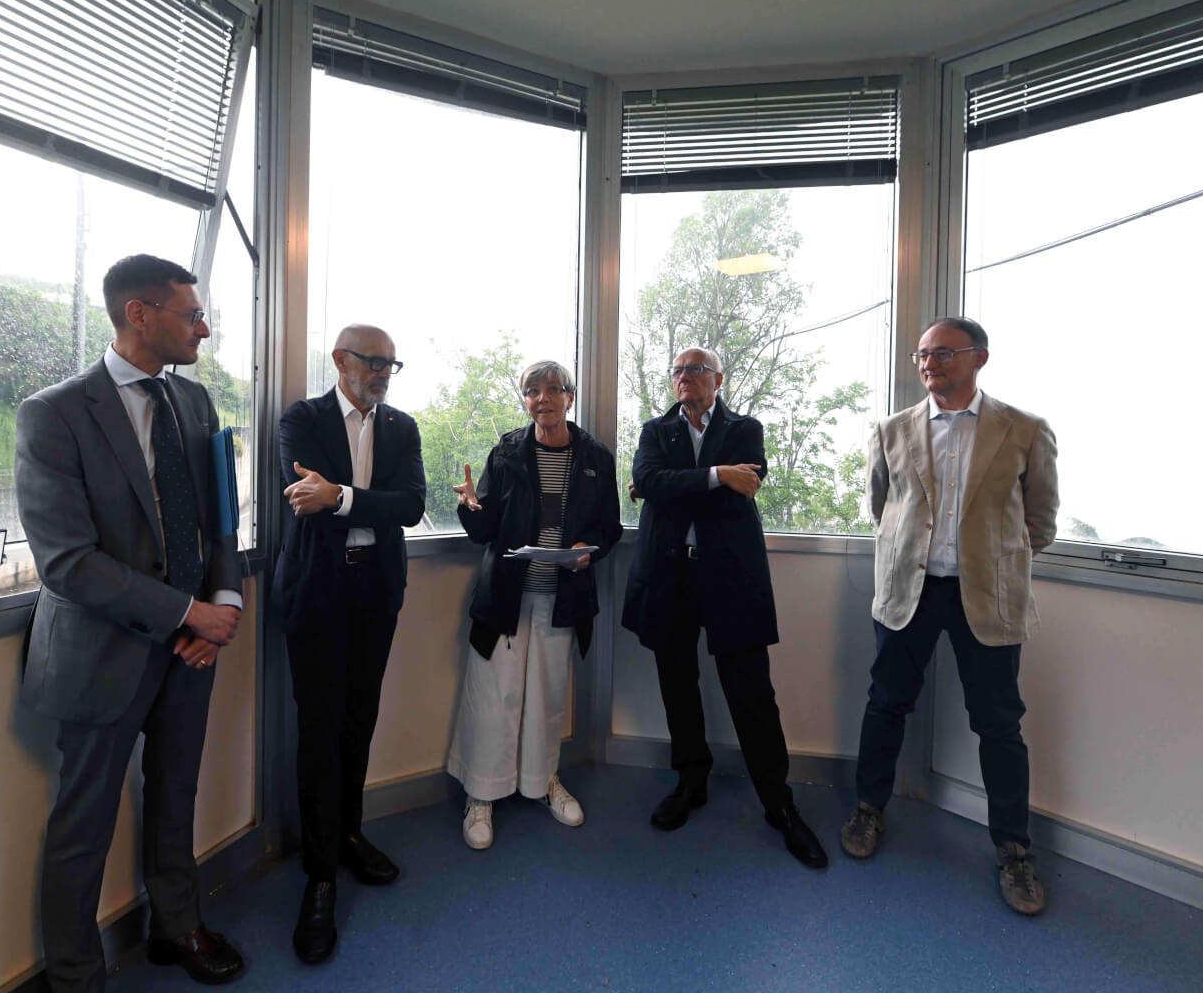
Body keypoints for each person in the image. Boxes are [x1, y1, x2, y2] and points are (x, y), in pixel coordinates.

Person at [15, 254, 246, 991]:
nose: (203, 329)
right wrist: (189, 611)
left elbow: (221, 519)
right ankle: (75, 976)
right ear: (139, 315)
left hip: (190, 650)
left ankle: (176, 927)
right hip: (100, 653)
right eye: (192, 315)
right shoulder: (54, 413)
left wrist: (224, 605)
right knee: (82, 826)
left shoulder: (195, 403)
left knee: (176, 798)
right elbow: (67, 562)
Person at [841, 317, 1059, 916]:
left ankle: (1014, 850)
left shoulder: (1025, 429)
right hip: (909, 592)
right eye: (922, 355)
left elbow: (1039, 521)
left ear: (979, 357)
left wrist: (991, 558)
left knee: (999, 723)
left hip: (985, 595)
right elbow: (883, 506)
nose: (928, 364)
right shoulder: (891, 429)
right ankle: (867, 810)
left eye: (942, 353)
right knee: (886, 704)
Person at [621, 347, 828, 869]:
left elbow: (741, 487)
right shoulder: (655, 431)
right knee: (677, 684)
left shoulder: (745, 428)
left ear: (718, 379)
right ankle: (691, 783)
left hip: (730, 578)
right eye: (678, 370)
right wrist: (715, 475)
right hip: (670, 576)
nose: (684, 377)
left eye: (696, 369)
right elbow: (650, 482)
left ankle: (778, 803)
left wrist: (669, 487)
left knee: (751, 692)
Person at [269, 324, 426, 964]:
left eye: (391, 364)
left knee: (360, 721)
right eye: (373, 361)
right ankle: (320, 874)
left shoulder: (402, 428)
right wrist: (350, 501)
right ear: (340, 360)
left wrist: (340, 496)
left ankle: (350, 836)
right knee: (320, 729)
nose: (383, 372)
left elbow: (410, 506)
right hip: (317, 591)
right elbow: (302, 498)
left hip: (375, 592)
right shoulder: (301, 420)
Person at [447, 360, 621, 849]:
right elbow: (485, 530)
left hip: (562, 596)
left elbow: (609, 526)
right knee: (493, 696)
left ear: (570, 397)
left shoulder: (596, 458)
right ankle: (481, 794)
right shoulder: (506, 453)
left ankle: (542, 781)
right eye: (532, 391)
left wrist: (588, 552)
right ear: (524, 400)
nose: (542, 399)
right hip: (507, 594)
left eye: (552, 389)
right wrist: (469, 506)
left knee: (546, 699)